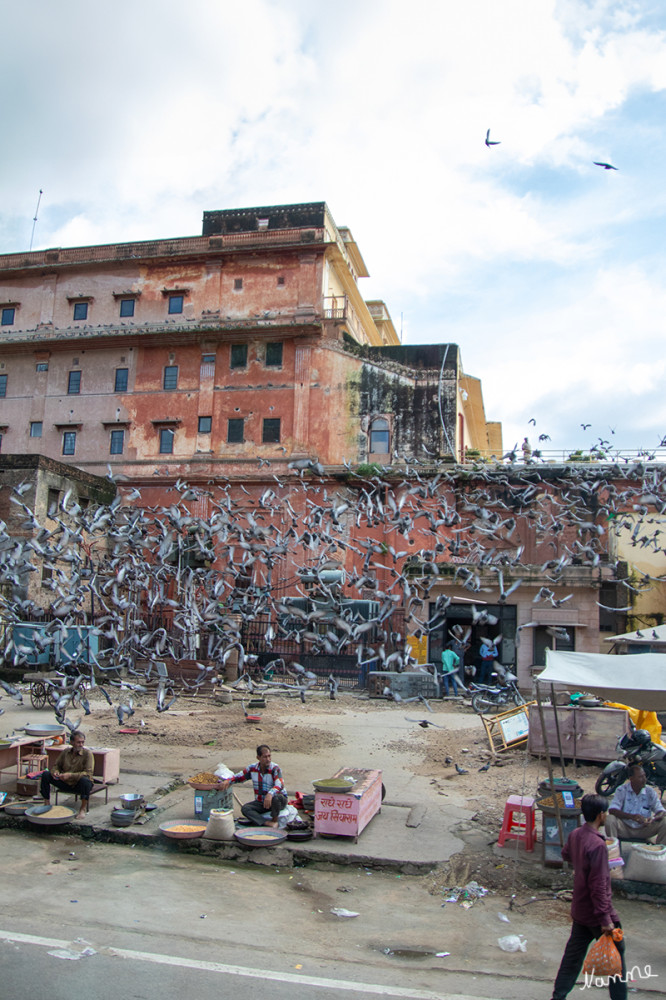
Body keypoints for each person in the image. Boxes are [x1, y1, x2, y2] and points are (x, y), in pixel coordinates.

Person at [551, 793, 626, 1000]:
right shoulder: (597, 845)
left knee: (572, 958)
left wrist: (580, 864)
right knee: (617, 960)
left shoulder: (576, 834)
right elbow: (599, 885)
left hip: (581, 909)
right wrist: (605, 919)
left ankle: (558, 996)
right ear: (601, 815)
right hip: (597, 913)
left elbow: (566, 854)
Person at [221, 744, 287, 828]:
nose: (268, 759)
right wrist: (228, 781)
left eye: (269, 756)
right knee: (245, 809)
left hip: (278, 801)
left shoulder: (275, 768)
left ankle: (274, 820)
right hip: (262, 802)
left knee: (276, 798)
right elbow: (239, 777)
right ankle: (266, 823)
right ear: (258, 758)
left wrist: (270, 794)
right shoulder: (252, 768)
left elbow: (280, 784)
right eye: (265, 757)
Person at [604, 764, 666, 845]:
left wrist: (653, 818)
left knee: (665, 821)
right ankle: (613, 849)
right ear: (631, 779)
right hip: (625, 828)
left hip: (644, 829)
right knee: (610, 819)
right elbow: (612, 810)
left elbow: (661, 811)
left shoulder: (650, 792)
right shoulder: (622, 790)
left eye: (644, 776)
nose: (644, 780)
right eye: (640, 777)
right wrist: (632, 817)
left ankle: (658, 852)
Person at [40, 730, 94, 820]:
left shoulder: (87, 754)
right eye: (78, 742)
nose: (81, 745)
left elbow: (88, 773)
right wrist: (55, 772)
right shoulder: (65, 752)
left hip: (78, 784)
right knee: (45, 775)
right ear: (72, 742)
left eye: (82, 742)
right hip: (65, 782)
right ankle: (46, 803)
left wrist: (70, 775)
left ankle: (82, 809)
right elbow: (56, 766)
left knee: (86, 781)